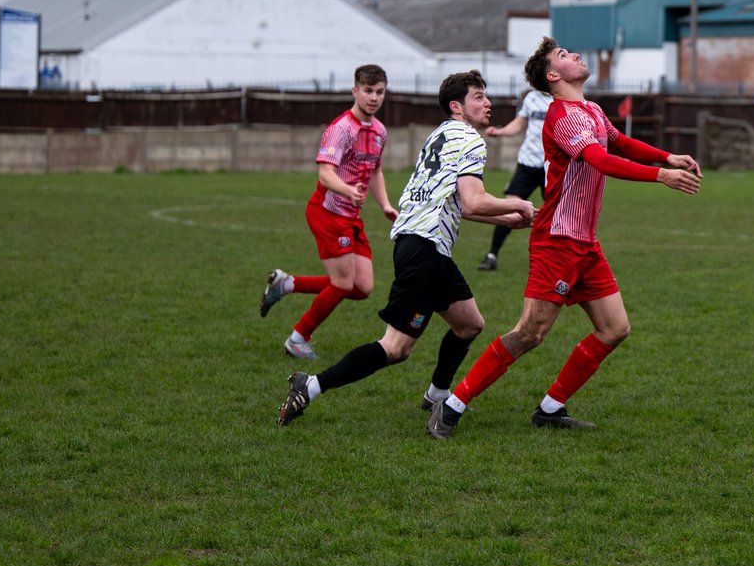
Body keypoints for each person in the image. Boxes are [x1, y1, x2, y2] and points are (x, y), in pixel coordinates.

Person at [428, 37, 702, 439]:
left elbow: (618, 142)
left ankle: (550, 408)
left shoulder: (591, 109)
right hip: (557, 240)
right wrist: (661, 175)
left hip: (585, 242)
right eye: (563, 55)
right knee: (530, 333)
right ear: (554, 75)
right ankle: (452, 405)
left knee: (615, 328)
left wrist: (666, 156)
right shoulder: (562, 115)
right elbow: (600, 159)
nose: (575, 54)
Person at [277, 70, 537, 427]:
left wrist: (506, 219)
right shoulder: (471, 140)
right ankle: (311, 385)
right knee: (395, 348)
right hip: (424, 251)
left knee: (469, 324)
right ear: (456, 106)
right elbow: (474, 201)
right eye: (478, 97)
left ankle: (438, 394)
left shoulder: (439, 135)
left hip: (421, 244)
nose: (488, 103)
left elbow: (454, 204)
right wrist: (518, 204)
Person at [259, 64, 398, 359]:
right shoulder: (341, 128)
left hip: (351, 216)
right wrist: (348, 190)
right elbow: (325, 174)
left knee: (361, 287)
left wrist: (385, 204)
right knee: (343, 282)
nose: (374, 97)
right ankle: (298, 337)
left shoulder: (379, 131)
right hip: (328, 211)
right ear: (355, 91)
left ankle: (287, 283)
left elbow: (375, 171)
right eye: (368, 91)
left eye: (380, 91)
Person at [477, 87, 553, 271]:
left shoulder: (562, 98)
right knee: (509, 208)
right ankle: (492, 255)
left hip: (551, 167)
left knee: (558, 214)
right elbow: (519, 124)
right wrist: (500, 132)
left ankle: (560, 260)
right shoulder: (531, 98)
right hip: (527, 163)